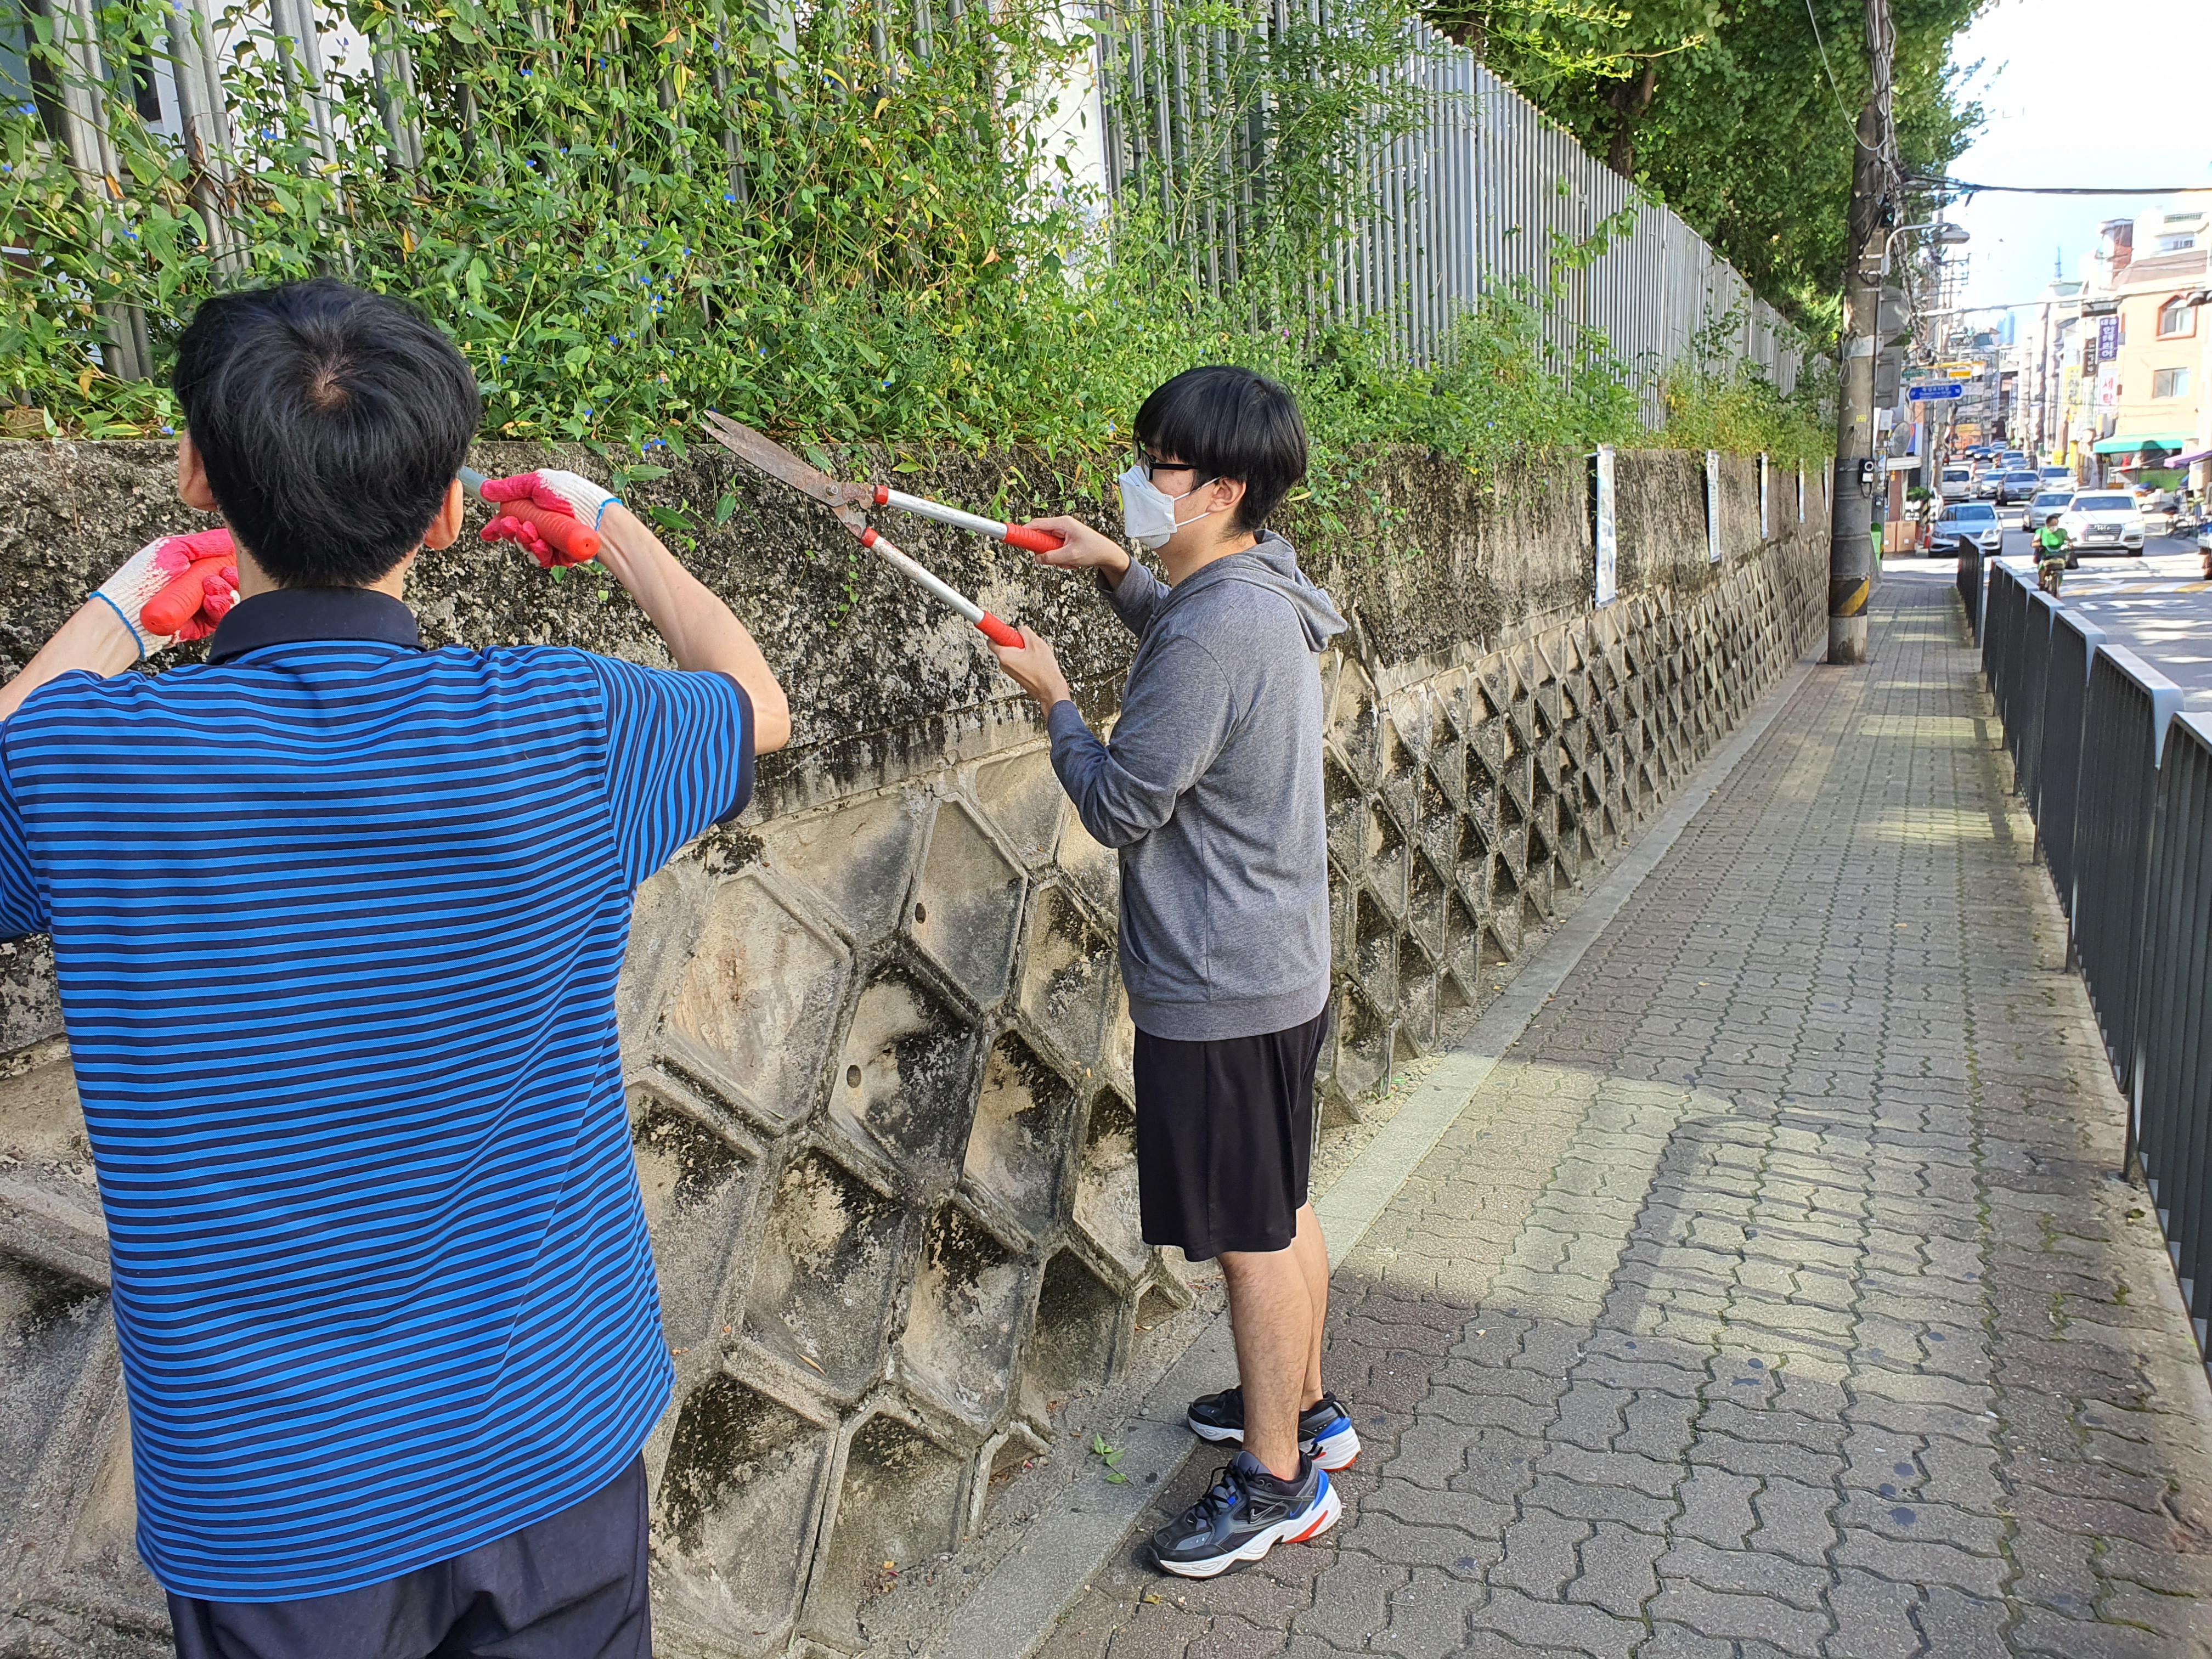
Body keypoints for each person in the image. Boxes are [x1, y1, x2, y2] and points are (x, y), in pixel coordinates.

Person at [0, 277, 788, 1658]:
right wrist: (608, 521)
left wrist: (124, 602)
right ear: (443, 515)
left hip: (274, 1500)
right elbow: (757, 705)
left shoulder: (86, 762)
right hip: (550, 1434)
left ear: (196, 470)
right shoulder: (571, 725)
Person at [988, 365, 1356, 1578]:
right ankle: (1305, 1408)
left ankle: (1278, 1481)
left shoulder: (1218, 624)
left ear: (1222, 489)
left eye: (1161, 464)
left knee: (1250, 1234)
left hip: (1221, 976)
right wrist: (1114, 570)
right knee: (1280, 1202)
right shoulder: (1256, 585)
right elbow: (1195, 647)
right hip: (1276, 961)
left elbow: (1120, 803)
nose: (1140, 479)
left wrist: (1056, 702)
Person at [2036, 511, 2069, 595]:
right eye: (2052, 524)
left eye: (2056, 524)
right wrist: (2042, 544)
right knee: (2042, 566)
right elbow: (2034, 543)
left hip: (2060, 556)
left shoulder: (2062, 532)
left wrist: (2071, 543)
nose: (2054, 526)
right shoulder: (2041, 532)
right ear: (2047, 524)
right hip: (2046, 556)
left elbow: (2069, 540)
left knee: (2061, 571)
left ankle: (2057, 590)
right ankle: (2042, 582)